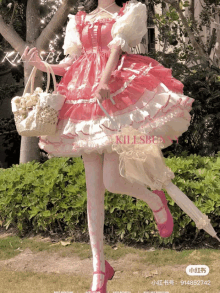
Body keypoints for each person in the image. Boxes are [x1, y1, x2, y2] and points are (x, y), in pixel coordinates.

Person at [21, 0, 195, 292]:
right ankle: (99, 267)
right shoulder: (79, 20)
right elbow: (69, 66)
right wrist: (42, 65)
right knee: (93, 193)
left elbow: (117, 48)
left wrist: (103, 80)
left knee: (113, 181)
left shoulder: (130, 12)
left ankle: (155, 201)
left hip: (113, 95)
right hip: (82, 101)